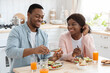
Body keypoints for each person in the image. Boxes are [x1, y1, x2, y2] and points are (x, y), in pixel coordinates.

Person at [5, 4, 62, 73]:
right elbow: (10, 51)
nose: (40, 19)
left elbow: (45, 58)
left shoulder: (44, 35)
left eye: (42, 17)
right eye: (37, 16)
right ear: (28, 15)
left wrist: (53, 58)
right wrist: (34, 50)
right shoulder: (17, 31)